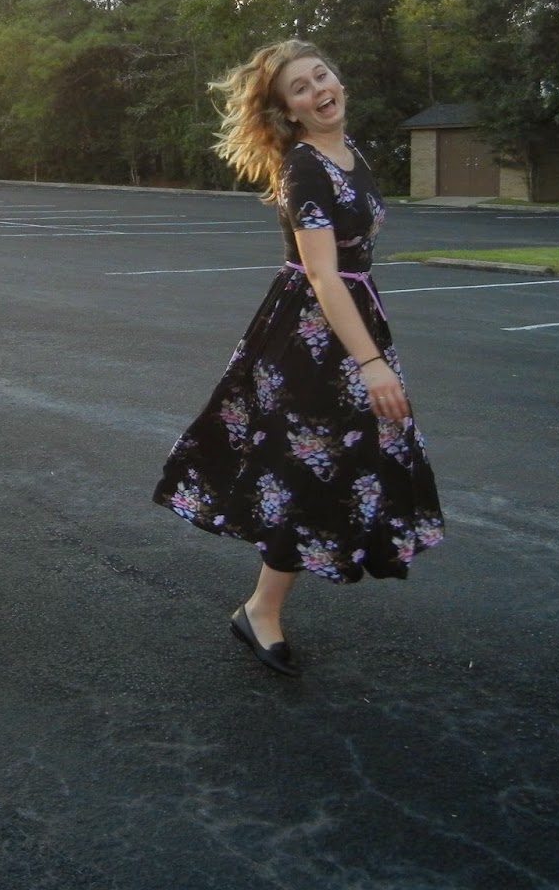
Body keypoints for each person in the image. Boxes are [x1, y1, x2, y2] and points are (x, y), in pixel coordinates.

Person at [152, 39, 444, 677]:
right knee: (309, 468)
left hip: (347, 323)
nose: (319, 91)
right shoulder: (305, 167)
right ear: (288, 110)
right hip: (313, 338)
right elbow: (321, 274)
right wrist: (370, 363)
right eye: (301, 88)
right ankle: (261, 610)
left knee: (334, 466)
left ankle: (263, 604)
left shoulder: (349, 151)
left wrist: (369, 350)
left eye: (321, 75)